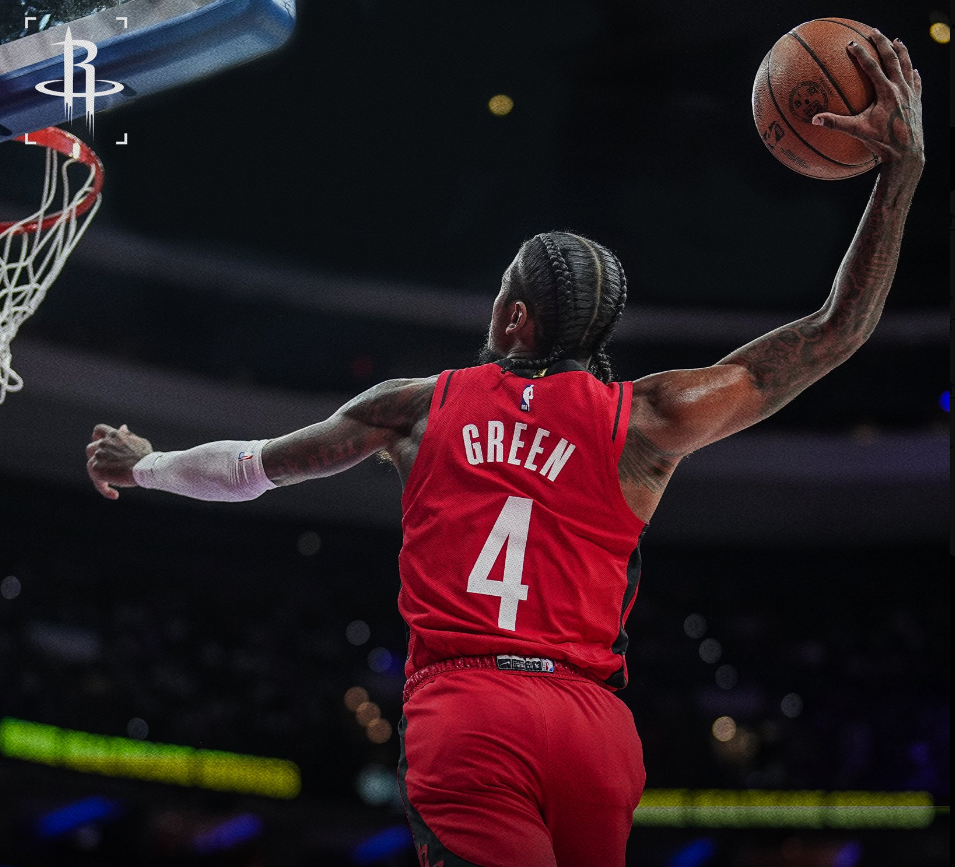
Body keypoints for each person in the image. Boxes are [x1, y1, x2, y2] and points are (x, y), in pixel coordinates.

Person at [86, 33, 922, 867]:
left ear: (516, 317)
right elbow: (832, 334)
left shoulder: (414, 406)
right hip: (590, 729)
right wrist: (899, 173)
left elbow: (249, 469)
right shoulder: (645, 420)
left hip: (469, 708)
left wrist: (143, 463)